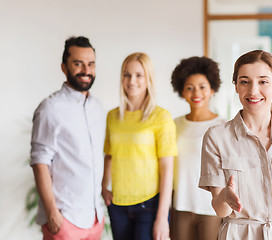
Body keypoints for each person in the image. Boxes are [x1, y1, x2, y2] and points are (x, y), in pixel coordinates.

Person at [199, 50, 272, 240]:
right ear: (236, 87)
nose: (253, 91)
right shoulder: (216, 137)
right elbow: (220, 209)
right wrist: (225, 197)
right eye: (244, 82)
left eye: (263, 82)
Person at [30, 36, 105, 240]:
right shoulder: (50, 109)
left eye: (91, 64)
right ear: (64, 67)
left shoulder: (98, 109)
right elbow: (39, 163)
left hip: (94, 218)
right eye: (78, 64)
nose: (86, 70)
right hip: (65, 219)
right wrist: (52, 213)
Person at [101, 52, 177, 240]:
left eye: (138, 75)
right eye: (127, 75)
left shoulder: (161, 117)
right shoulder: (112, 116)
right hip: (117, 205)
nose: (131, 81)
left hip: (149, 205)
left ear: (148, 78)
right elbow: (109, 155)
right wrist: (103, 186)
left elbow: (167, 169)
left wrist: (162, 218)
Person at [170, 56, 225, 240]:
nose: (196, 93)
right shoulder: (174, 125)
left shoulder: (223, 126)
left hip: (211, 208)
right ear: (182, 91)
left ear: (212, 89)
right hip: (181, 205)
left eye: (202, 86)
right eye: (189, 87)